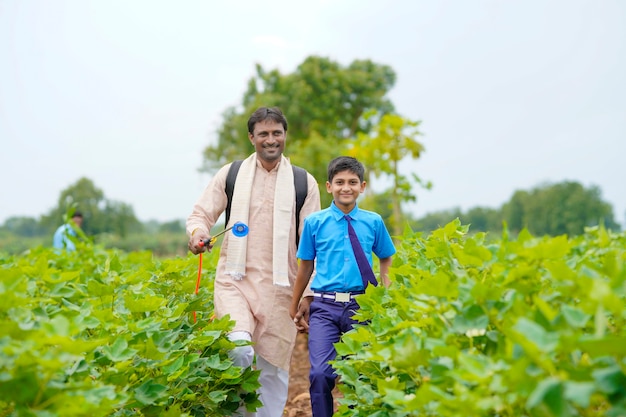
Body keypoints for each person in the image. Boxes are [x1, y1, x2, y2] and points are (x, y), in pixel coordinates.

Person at [186, 106, 321, 417]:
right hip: (235, 282)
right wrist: (197, 234)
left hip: (281, 288)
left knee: (272, 371)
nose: (271, 139)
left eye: (277, 133)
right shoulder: (231, 174)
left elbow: (315, 244)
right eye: (264, 134)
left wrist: (309, 292)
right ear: (252, 137)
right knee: (238, 349)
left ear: (285, 136)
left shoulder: (304, 182)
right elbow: (201, 215)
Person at [289, 156, 396, 417]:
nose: (345, 187)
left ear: (362, 186)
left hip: (362, 306)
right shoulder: (315, 223)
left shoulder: (373, 221)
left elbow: (386, 256)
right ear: (329, 187)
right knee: (320, 373)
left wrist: (386, 290)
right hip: (324, 306)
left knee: (359, 373)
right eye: (339, 182)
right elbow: (305, 267)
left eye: (352, 182)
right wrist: (295, 307)